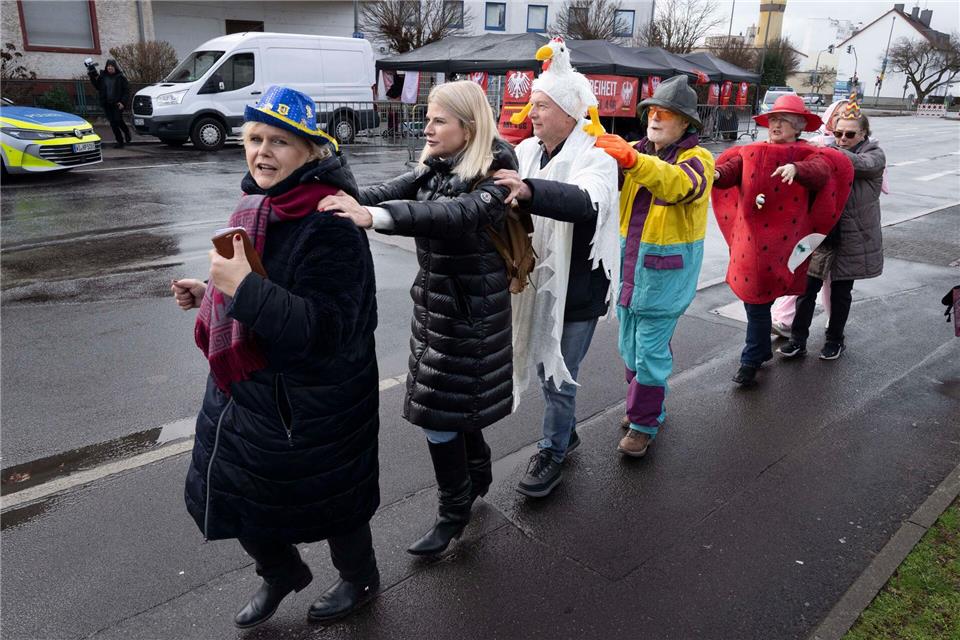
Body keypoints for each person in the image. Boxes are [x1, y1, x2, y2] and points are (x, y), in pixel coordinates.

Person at [171, 86, 380, 628]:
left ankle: (360, 577)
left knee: (336, 498)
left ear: (310, 152)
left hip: (312, 404)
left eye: (279, 142)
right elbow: (256, 285)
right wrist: (212, 294)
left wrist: (241, 292)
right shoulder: (256, 205)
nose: (261, 152)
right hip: (247, 392)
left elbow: (328, 330)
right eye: (254, 138)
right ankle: (281, 571)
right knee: (237, 495)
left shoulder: (332, 226)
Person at [319, 80, 516, 555]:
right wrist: (325, 165)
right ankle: (477, 470)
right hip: (436, 311)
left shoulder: (496, 171)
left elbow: (452, 215)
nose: (424, 127)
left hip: (472, 318)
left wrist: (376, 218)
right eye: (427, 117)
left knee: (437, 414)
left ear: (467, 128)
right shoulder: (434, 165)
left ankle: (454, 510)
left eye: (437, 120)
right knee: (454, 405)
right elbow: (379, 192)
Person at [492, 53, 619, 497]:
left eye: (542, 105)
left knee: (557, 372)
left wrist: (529, 191)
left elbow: (585, 201)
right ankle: (565, 432)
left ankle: (552, 451)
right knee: (548, 369)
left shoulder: (597, 156)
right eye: (532, 104)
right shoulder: (525, 151)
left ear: (568, 112)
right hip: (535, 280)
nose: (532, 114)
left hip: (580, 289)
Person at [592, 75, 715, 457]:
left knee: (649, 353)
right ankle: (645, 404)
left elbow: (677, 184)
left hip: (665, 280)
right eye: (652, 112)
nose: (656, 119)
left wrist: (631, 160)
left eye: (667, 114)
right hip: (629, 276)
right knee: (629, 349)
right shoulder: (634, 150)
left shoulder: (699, 160)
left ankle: (644, 423)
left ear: (686, 124)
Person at [712, 94, 853, 386]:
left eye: (784, 121)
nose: (776, 125)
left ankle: (751, 359)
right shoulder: (751, 149)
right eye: (773, 119)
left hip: (783, 241)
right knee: (755, 298)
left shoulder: (809, 152)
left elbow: (821, 171)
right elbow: (732, 171)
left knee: (760, 298)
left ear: (798, 126)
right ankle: (759, 350)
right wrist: (716, 174)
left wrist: (797, 168)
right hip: (749, 240)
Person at [777, 103, 885, 360]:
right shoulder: (829, 151)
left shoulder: (874, 155)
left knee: (840, 294)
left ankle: (835, 340)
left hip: (853, 235)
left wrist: (825, 151)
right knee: (806, 289)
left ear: (863, 135)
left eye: (850, 134)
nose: (843, 139)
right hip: (822, 232)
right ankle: (797, 340)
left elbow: (860, 164)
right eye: (838, 134)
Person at [87, 59, 131, 148]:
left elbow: (126, 91)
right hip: (107, 103)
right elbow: (97, 86)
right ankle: (120, 142)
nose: (110, 68)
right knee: (113, 124)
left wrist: (122, 102)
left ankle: (126, 132)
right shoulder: (103, 77)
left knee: (118, 120)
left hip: (117, 103)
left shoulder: (120, 77)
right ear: (106, 67)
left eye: (111, 66)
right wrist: (91, 75)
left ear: (115, 67)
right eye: (108, 66)